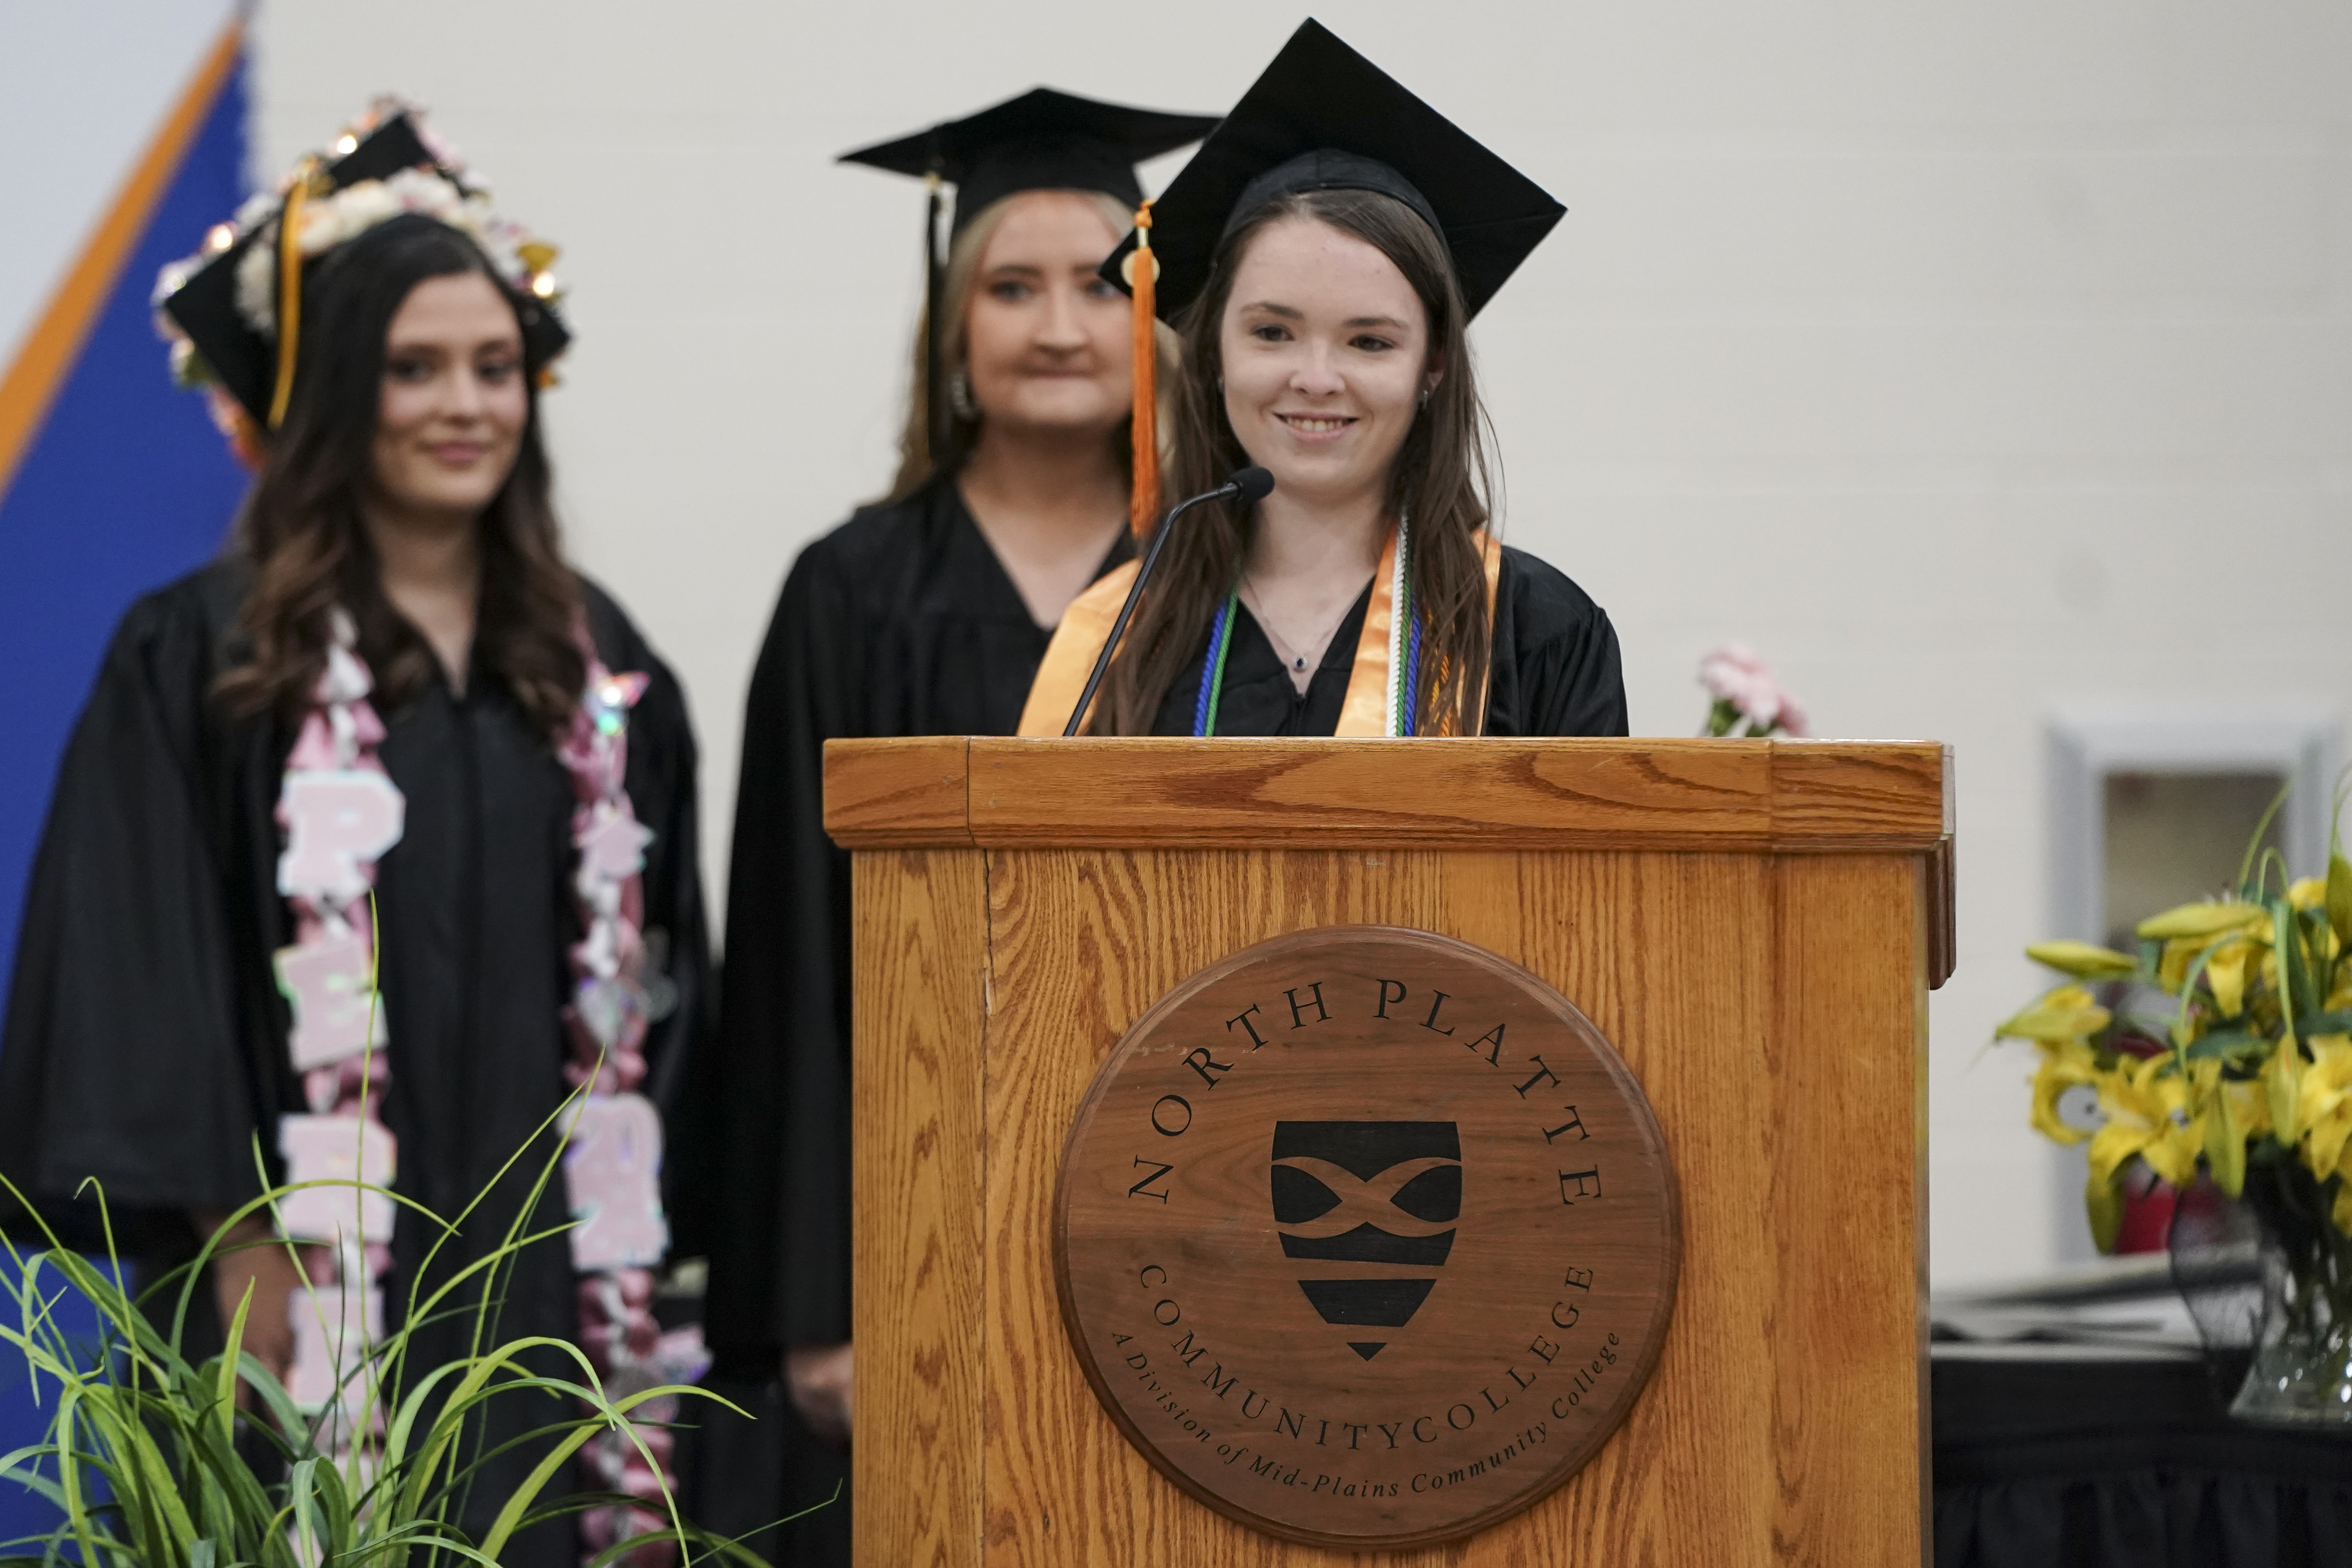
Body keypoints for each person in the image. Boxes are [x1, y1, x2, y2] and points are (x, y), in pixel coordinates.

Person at [0, 104, 709, 1568]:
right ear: (334, 396)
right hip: (299, 1279)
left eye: (497, 368)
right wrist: (234, 1235)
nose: (467, 404)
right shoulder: (204, 658)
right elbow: (153, 968)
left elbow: (662, 987)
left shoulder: (598, 668)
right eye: (415, 369)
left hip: (551, 1286)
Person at [695, 88, 1216, 1561]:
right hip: (903, 1218)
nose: (1060, 324)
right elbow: (792, 961)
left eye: (1105, 284)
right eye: (1010, 287)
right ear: (951, 328)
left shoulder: (1221, 589)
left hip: (1170, 1201)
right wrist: (819, 1299)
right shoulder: (848, 589)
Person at [1018, 22, 1627, 739]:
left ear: (1432, 366)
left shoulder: (1535, 632)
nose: (1315, 378)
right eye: (1272, 333)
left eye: (1369, 341)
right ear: (1213, 350)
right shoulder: (1114, 639)